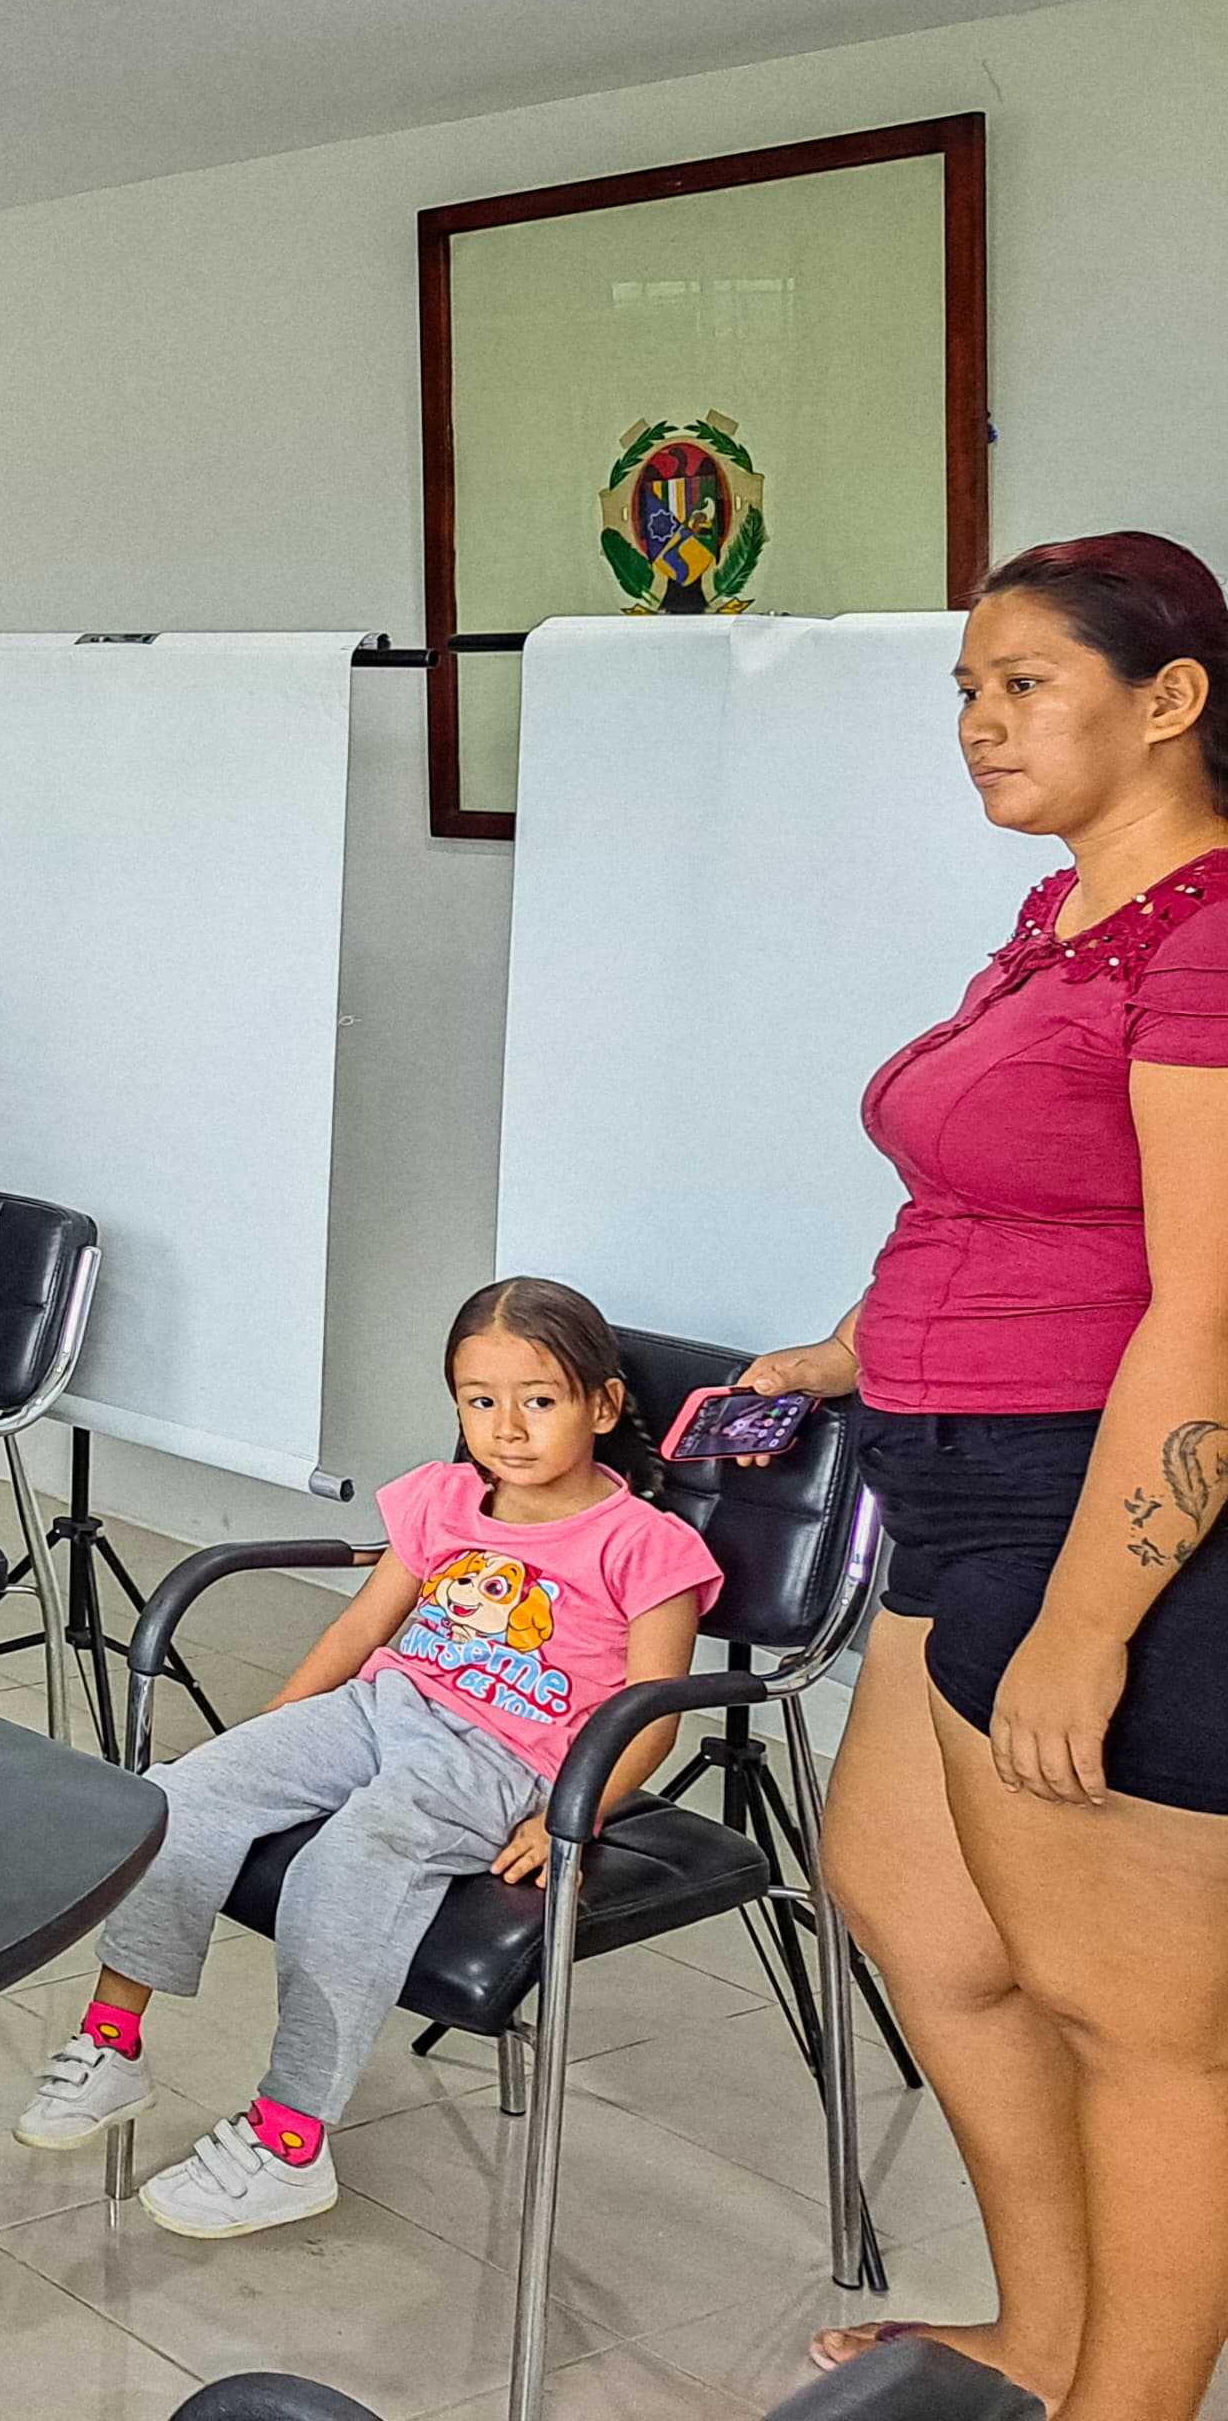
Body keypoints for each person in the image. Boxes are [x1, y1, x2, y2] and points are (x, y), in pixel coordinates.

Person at [735, 532, 1228, 2417]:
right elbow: (997, 1200)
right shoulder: (1066, 914)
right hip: (943, 1481)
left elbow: (1206, 1311)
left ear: (1170, 699)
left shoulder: (1207, 934)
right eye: (967, 688)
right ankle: (1047, 2328)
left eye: (1025, 683)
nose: (979, 722)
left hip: (1087, 1506)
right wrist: (843, 1355)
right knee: (922, 1916)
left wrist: (1091, 1627)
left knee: (1142, 2027)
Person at [13, 1280, 718, 2239]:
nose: (507, 1429)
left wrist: (573, 1811)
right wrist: (274, 1729)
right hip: (380, 1707)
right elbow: (361, 1629)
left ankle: (290, 2140)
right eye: (480, 1401)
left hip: (500, 1757)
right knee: (181, 1797)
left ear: (601, 1405)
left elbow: (653, 1714)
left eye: (539, 1400)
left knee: (346, 1863)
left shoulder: (648, 1546)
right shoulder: (441, 1497)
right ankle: (113, 2041)